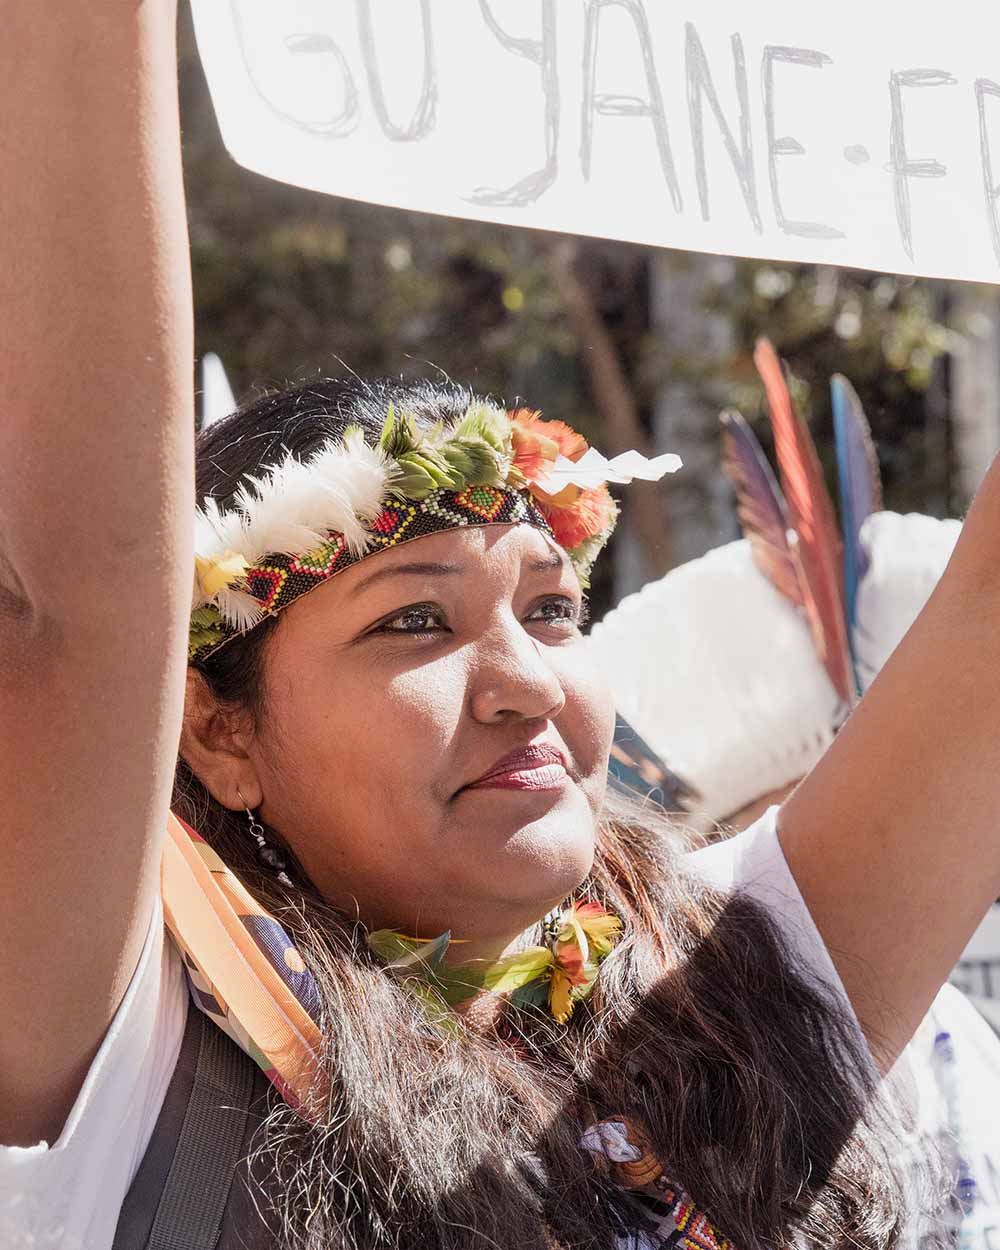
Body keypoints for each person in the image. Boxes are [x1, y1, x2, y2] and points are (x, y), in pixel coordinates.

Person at [6, 7, 1000, 1249]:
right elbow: (76, 613)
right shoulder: (127, 1058)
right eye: (417, 621)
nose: (527, 681)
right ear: (214, 728)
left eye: (551, 607)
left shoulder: (740, 984)